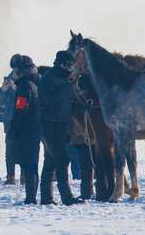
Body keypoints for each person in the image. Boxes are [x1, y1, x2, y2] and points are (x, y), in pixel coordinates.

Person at [38, 50, 84, 206]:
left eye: (72, 65)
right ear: (61, 64)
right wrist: (66, 88)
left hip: (62, 124)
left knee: (50, 162)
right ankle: (67, 198)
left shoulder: (63, 78)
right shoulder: (48, 78)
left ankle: (46, 198)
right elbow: (50, 100)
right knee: (63, 159)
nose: (71, 68)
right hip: (50, 125)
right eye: (69, 65)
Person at [6, 54, 41, 204]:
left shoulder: (25, 86)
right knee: (33, 163)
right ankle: (31, 196)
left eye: (16, 70)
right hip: (36, 129)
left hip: (26, 131)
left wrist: (12, 129)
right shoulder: (36, 83)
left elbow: (20, 109)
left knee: (28, 164)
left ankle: (31, 197)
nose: (14, 74)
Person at [0, 72, 19, 185]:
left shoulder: (26, 83)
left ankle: (25, 177)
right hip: (9, 121)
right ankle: (10, 177)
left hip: (23, 121)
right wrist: (3, 90)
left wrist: (15, 88)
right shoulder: (6, 87)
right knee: (9, 150)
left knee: (24, 149)